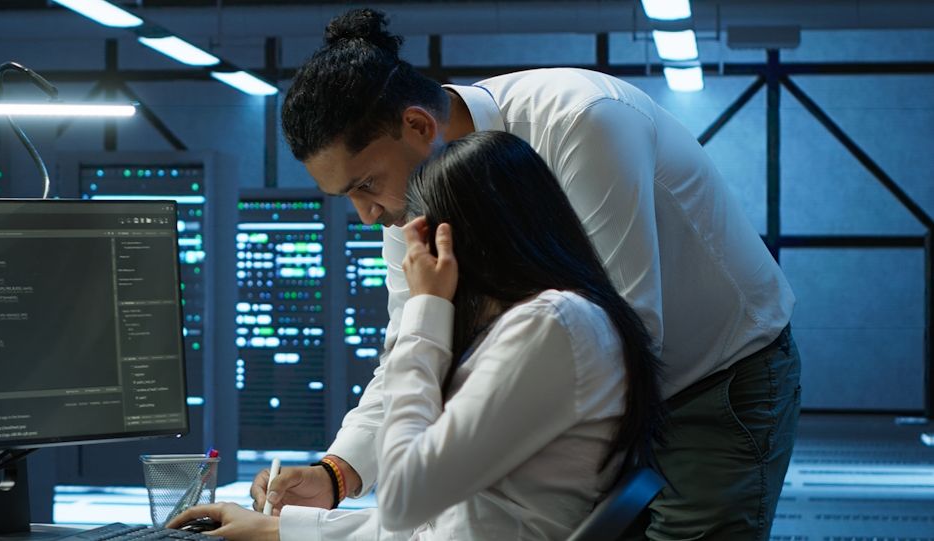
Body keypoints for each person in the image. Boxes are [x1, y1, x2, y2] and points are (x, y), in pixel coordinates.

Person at [207, 7, 797, 540]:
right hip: (579, 396)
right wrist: (338, 473)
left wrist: (462, 442)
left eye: (365, 185)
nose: (368, 216)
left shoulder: (581, 121)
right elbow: (410, 351)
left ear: (417, 126)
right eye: (346, 198)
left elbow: (626, 336)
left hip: (715, 375)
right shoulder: (410, 203)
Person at [170, 131, 667, 539]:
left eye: (420, 237)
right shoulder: (563, 320)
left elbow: (407, 499)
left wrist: (425, 309)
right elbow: (435, 524)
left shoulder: (552, 324)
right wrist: (278, 531)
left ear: (462, 241)